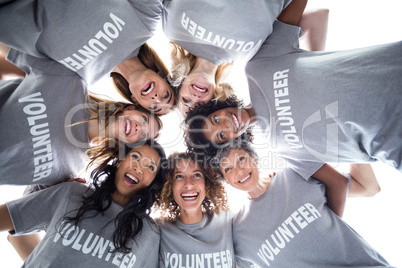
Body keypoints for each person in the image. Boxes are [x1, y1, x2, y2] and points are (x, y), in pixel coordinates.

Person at [184, 18, 402, 175]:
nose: (225, 123)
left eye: (214, 119)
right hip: (393, 144)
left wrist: (319, 66)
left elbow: (309, 11)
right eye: (222, 135)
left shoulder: (257, 66)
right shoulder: (281, 151)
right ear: (230, 143)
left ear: (216, 106)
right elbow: (339, 186)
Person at [0, 44, 163, 187]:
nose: (138, 127)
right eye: (143, 119)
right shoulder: (69, 78)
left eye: (143, 135)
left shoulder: (72, 169)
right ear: (130, 108)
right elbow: (9, 48)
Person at [214, 139, 389, 267]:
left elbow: (368, 187)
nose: (238, 171)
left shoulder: (295, 175)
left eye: (241, 159)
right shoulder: (239, 233)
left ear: (254, 157)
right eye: (228, 169)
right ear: (226, 181)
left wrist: (348, 136)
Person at [0, 141, 166, 267]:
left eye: (150, 167)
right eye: (135, 157)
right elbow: (10, 224)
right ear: (119, 161)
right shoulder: (73, 193)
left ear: (153, 182)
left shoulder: (149, 234)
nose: (138, 168)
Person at [0, 1, 175, 115]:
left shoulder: (82, 80)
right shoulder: (146, 22)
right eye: (166, 95)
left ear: (136, 100)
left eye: (154, 107)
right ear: (162, 74)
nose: (156, 98)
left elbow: (18, 54)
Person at [164, 0, 329, 115]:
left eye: (185, 100)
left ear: (180, 83)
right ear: (214, 98)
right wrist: (313, 77)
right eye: (200, 106)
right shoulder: (252, 57)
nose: (195, 99)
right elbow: (317, 17)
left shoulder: (173, 30)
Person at [156, 152, 235, 267]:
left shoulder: (228, 221)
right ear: (169, 185)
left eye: (197, 175)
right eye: (179, 176)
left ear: (207, 182)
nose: (188, 184)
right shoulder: (159, 230)